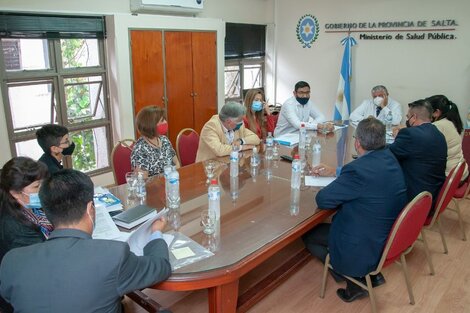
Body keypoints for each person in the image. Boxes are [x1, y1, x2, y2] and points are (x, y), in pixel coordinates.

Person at [0, 169, 172, 313]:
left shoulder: (12, 261)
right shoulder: (112, 255)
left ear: (46, 210)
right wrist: (155, 232)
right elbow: (160, 267)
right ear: (91, 209)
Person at [303, 117, 407, 302]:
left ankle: (352, 280)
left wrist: (342, 179)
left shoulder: (358, 170)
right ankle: (371, 275)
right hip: (387, 235)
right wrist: (337, 172)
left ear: (357, 143)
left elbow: (323, 199)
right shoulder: (389, 157)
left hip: (362, 243)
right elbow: (370, 176)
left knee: (309, 236)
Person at [0, 157, 50, 313]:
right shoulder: (16, 229)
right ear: (15, 193)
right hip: (27, 295)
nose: (42, 190)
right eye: (36, 186)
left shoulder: (28, 206)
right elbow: (41, 268)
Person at [389, 99, 447, 209]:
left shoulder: (409, 134)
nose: (407, 120)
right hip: (432, 196)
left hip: (414, 201)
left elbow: (389, 155)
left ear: (414, 117)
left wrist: (397, 138)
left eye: (408, 117)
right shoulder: (439, 134)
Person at [196, 102, 261, 162]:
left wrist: (241, 141)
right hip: (209, 167)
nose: (242, 123)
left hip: (229, 164)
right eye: (240, 120)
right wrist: (241, 147)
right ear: (229, 121)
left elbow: (255, 139)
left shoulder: (238, 126)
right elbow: (219, 150)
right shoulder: (211, 127)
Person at [427, 94, 468, 182]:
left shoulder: (438, 125)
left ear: (436, 112)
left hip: (450, 177)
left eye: (427, 111)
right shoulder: (450, 121)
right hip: (461, 172)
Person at [131, 105, 180, 177]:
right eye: (162, 120)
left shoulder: (164, 140)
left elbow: (176, 163)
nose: (166, 122)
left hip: (171, 182)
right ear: (151, 125)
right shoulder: (140, 149)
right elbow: (143, 181)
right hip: (154, 187)